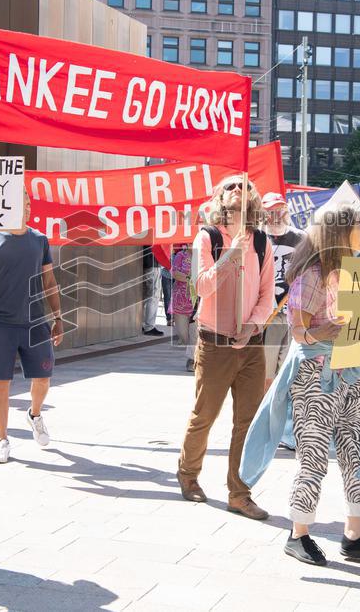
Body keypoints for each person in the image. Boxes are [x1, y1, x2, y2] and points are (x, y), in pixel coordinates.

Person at [239, 204, 360, 567]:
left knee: (358, 455)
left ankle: (354, 534)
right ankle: (298, 534)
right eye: (358, 226)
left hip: (353, 374)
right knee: (314, 458)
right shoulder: (313, 274)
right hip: (315, 378)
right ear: (339, 232)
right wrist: (320, 331)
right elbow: (298, 331)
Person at [176, 175, 275, 521]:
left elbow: (268, 293)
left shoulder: (262, 241)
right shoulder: (208, 236)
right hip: (215, 343)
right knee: (205, 415)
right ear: (219, 196)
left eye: (245, 186)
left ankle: (239, 492)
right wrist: (228, 258)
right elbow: (200, 287)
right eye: (231, 186)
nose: (238, 190)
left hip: (251, 345)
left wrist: (253, 325)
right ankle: (188, 474)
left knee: (247, 422)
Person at [0, 194, 64, 464]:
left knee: (43, 378)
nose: (28, 209)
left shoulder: (39, 239)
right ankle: (2, 440)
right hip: (0, 322)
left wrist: (58, 316)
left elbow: (49, 279)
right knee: (0, 384)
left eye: (30, 204)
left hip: (35, 322)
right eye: (22, 204)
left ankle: (34, 414)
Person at [261, 192, 306, 391]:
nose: (275, 216)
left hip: (294, 313)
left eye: (279, 210)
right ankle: (266, 414)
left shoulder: (301, 238)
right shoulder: (256, 237)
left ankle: (282, 415)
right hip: (266, 314)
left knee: (289, 371)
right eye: (270, 212)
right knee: (266, 372)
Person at [170, 242, 197, 373]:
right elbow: (175, 273)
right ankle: (193, 352)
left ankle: (192, 359)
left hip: (198, 300)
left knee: (195, 332)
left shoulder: (204, 256)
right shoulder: (180, 255)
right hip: (180, 300)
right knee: (183, 334)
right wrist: (190, 278)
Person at [142, 247, 164, 336]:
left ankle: (144, 324)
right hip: (152, 263)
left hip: (145, 263)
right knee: (153, 296)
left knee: (146, 296)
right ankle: (149, 326)